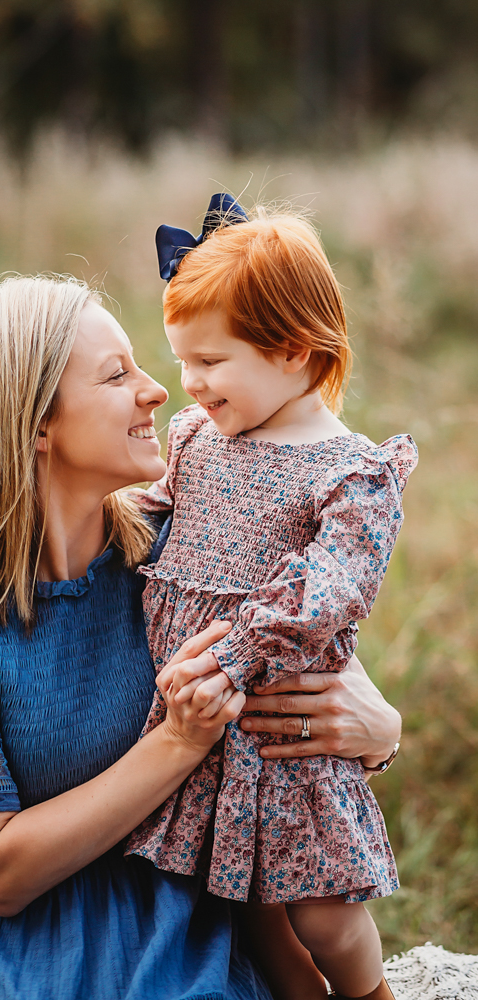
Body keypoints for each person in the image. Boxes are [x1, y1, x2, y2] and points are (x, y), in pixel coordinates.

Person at [0, 274, 403, 1000]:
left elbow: (304, 671)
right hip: (9, 958)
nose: (160, 390)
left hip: (195, 930)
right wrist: (178, 742)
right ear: (34, 424)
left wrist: (379, 733)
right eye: (119, 374)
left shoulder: (173, 554)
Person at [124, 196, 417, 1000]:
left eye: (210, 363)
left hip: (276, 709)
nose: (189, 383)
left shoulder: (351, 471)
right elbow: (151, 518)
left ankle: (369, 991)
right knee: (245, 896)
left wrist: (240, 647)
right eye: (181, 360)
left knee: (317, 904)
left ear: (291, 352)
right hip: (193, 710)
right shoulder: (194, 438)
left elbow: (333, 585)